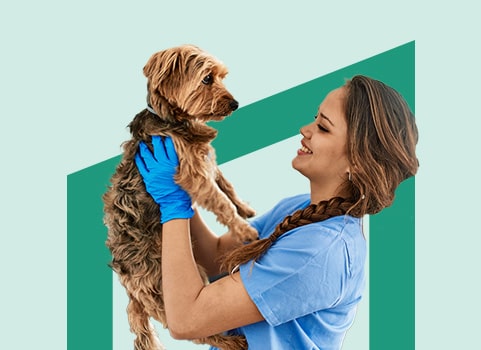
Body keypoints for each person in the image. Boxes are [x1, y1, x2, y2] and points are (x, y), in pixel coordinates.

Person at [134, 75, 419, 350]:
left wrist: (173, 207)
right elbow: (215, 257)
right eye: (315, 117)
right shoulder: (300, 209)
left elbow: (186, 319)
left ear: (356, 162)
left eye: (323, 127)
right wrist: (184, 187)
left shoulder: (320, 252)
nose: (305, 129)